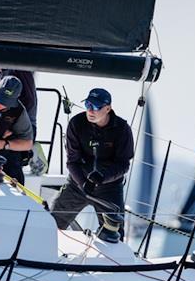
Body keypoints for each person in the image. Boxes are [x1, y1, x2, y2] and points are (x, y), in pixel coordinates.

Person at [50, 88, 134, 242]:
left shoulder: (122, 129)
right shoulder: (76, 123)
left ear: (108, 109)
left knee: (115, 237)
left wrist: (102, 177)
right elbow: (72, 161)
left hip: (110, 188)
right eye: (88, 104)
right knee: (51, 224)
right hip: (77, 184)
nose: (90, 110)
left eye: (95, 106)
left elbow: (123, 164)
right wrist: (83, 183)